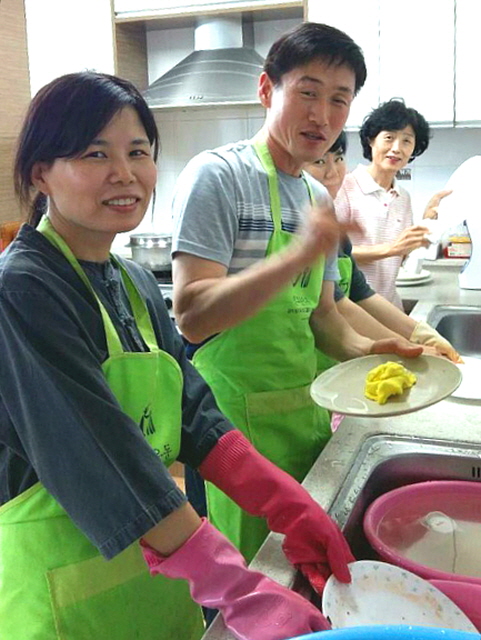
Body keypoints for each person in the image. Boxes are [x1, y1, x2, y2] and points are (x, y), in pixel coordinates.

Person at [0, 70, 362, 640]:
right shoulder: (22, 290)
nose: (125, 174)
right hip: (62, 603)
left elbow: (193, 412)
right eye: (95, 154)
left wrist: (284, 503)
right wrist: (235, 586)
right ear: (41, 171)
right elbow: (100, 453)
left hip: (158, 589)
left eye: (138, 151)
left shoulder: (133, 281)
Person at [171, 22, 423, 565]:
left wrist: (368, 351)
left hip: (304, 414)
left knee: (305, 564)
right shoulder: (217, 176)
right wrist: (296, 254)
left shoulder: (314, 194)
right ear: (267, 90)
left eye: (339, 100)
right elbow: (191, 317)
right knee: (250, 575)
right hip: (229, 433)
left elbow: (324, 317)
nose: (322, 115)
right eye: (307, 92)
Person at [307, 132, 460, 365]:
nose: (334, 172)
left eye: (338, 159)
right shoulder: (306, 224)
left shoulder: (336, 231)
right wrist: (412, 346)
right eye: (319, 161)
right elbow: (337, 305)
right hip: (325, 348)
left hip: (347, 345)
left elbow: (359, 292)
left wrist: (421, 334)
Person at [335, 98, 450, 309]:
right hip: (351, 310)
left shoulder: (403, 197)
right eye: (389, 138)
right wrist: (390, 249)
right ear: (371, 140)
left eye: (407, 141)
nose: (396, 148)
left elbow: (402, 256)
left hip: (389, 308)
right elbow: (333, 253)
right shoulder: (345, 188)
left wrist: (425, 224)